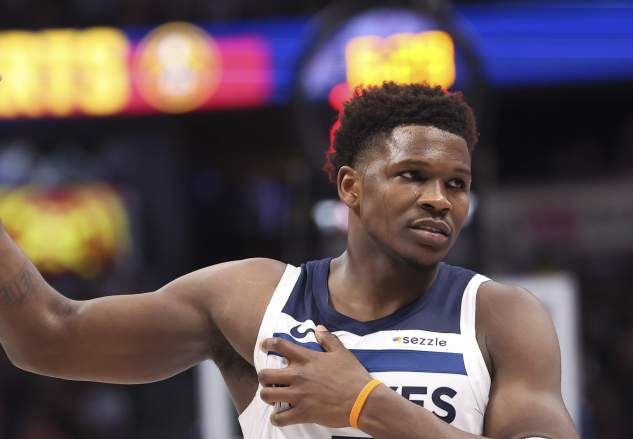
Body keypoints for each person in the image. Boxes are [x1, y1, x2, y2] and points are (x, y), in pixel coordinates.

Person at [0, 82, 579, 439]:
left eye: (457, 183)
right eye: (413, 175)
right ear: (351, 187)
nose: (439, 199)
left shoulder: (500, 315)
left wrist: (365, 403)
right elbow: (49, 336)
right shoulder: (253, 299)